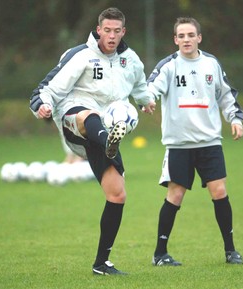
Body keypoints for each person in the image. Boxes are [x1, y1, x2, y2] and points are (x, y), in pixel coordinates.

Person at [29, 7, 156, 275]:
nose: (111, 36)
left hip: (106, 130)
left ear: (124, 32)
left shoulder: (130, 60)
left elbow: (140, 86)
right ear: (98, 30)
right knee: (89, 115)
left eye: (116, 31)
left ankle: (101, 263)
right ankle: (108, 137)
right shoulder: (80, 56)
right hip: (76, 119)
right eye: (107, 30)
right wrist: (42, 104)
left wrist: (146, 101)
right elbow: (50, 87)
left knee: (117, 194)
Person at [147, 17, 243, 266]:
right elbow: (152, 88)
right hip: (179, 144)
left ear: (199, 38)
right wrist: (147, 100)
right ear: (175, 40)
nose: (186, 39)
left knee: (219, 191)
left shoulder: (211, 64)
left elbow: (225, 95)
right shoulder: (168, 66)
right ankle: (160, 254)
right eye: (181, 36)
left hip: (210, 142)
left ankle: (231, 250)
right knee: (175, 195)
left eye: (191, 35)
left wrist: (235, 118)